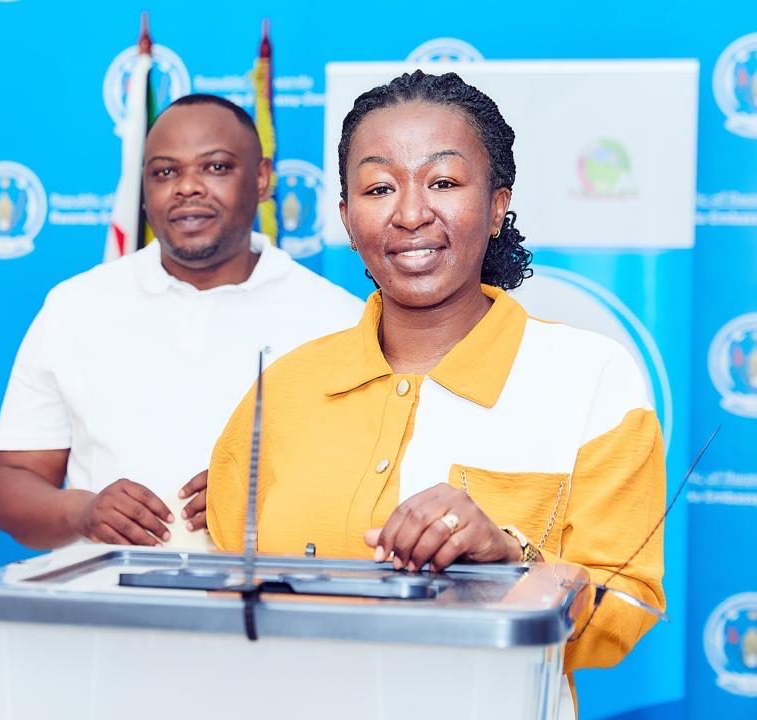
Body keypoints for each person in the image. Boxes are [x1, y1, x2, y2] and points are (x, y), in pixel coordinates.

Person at [205, 71, 665, 716]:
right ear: (347, 218)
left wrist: (508, 558)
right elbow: (227, 583)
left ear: (498, 205)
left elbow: (627, 607)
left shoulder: (591, 377)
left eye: (444, 182)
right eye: (378, 188)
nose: (411, 213)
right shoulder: (284, 386)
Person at [0, 94, 363, 550]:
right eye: (165, 172)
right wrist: (82, 512)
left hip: (271, 593)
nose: (187, 187)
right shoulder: (75, 306)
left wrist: (283, 498)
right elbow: (12, 481)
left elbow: (378, 489)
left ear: (262, 179)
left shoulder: (339, 318)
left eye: (216, 167)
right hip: (103, 592)